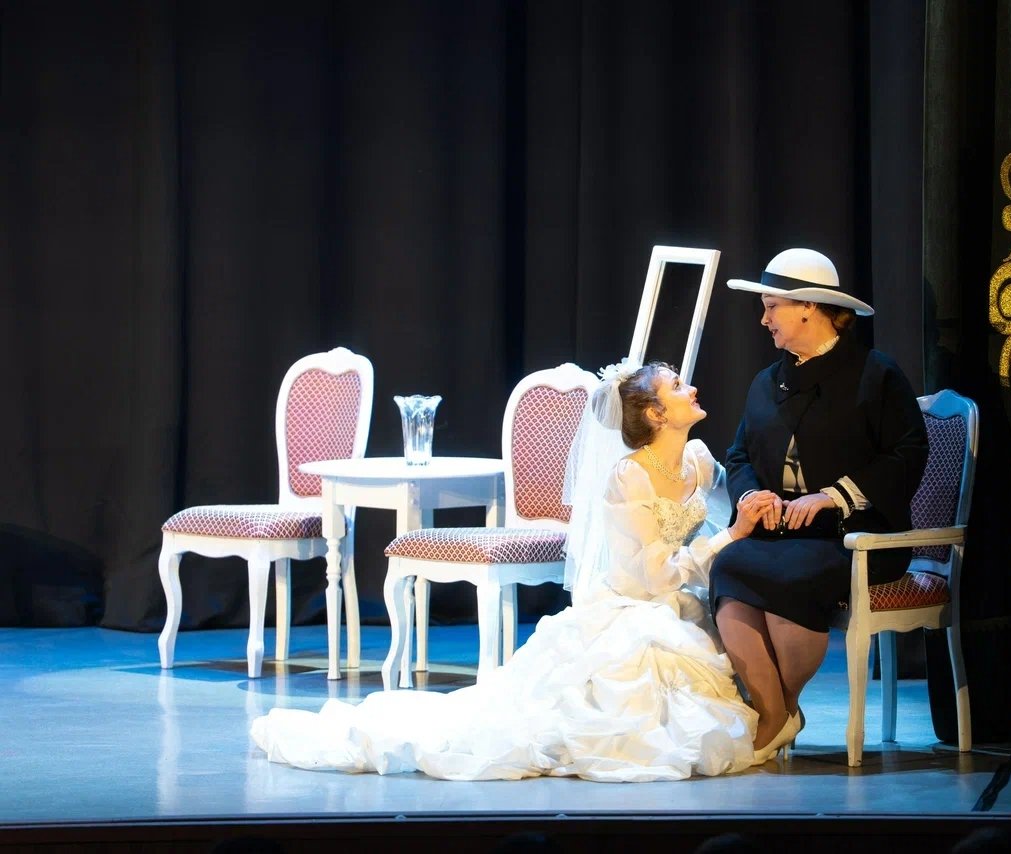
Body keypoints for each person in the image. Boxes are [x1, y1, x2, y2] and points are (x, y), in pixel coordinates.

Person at [250, 359, 769, 782]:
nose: (692, 388)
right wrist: (730, 538)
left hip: (679, 599)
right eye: (678, 386)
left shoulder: (698, 459)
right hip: (637, 602)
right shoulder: (629, 476)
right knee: (619, 711)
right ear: (656, 413)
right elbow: (653, 575)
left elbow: (723, 512)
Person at [711, 248, 929, 758]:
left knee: (791, 576)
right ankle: (775, 711)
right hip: (783, 533)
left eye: (772, 307)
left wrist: (833, 496)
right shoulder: (768, 381)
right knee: (729, 565)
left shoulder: (875, 374)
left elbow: (908, 452)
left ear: (808, 307)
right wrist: (751, 496)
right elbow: (739, 454)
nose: (764, 320)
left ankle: (777, 712)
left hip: (857, 536)